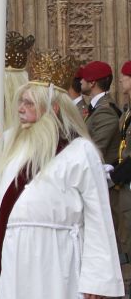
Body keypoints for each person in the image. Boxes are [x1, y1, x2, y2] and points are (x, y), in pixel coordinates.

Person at [0, 51, 123, 298]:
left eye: (29, 103)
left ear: (54, 107)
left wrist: (97, 279)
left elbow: (98, 215)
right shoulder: (10, 142)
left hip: (58, 257)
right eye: (20, 101)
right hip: (13, 253)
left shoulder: (80, 151)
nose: (21, 109)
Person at [80, 60, 128, 259]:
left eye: (84, 78)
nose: (80, 81)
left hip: (110, 183)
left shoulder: (105, 110)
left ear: (92, 82)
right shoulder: (95, 108)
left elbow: (95, 148)